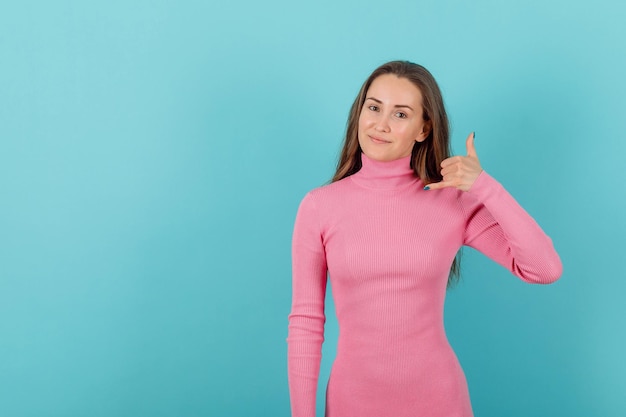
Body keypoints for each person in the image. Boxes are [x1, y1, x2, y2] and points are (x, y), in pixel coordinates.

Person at [286, 60, 562, 417]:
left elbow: (543, 269)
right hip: (351, 402)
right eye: (373, 107)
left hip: (439, 401)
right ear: (359, 113)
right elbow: (306, 322)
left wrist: (485, 187)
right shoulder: (319, 206)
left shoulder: (451, 202)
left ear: (423, 129)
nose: (380, 124)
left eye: (401, 115)